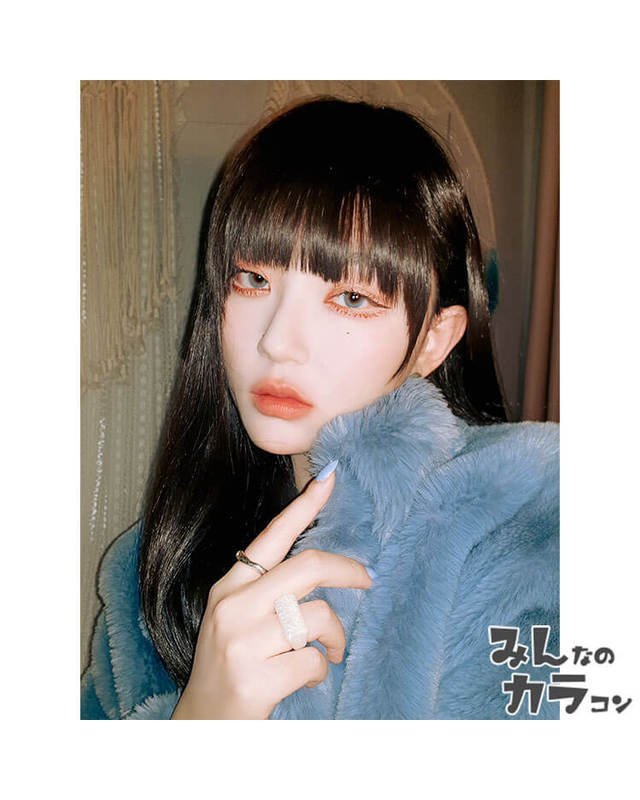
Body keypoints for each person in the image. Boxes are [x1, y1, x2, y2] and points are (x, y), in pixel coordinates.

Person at [81, 97, 559, 720]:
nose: (278, 341)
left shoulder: (529, 516)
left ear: (434, 341)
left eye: (352, 297)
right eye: (253, 280)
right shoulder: (152, 567)